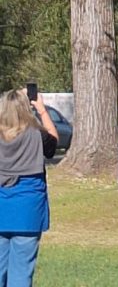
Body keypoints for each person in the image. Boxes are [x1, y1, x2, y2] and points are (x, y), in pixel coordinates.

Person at [0, 89, 58, 286]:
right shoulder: (37, 135)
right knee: (22, 272)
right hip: (28, 212)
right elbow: (53, 142)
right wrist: (41, 110)